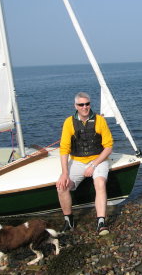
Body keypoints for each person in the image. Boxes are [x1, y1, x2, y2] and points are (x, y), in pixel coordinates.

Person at [56, 92, 113, 235]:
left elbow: (108, 147)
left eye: (87, 104)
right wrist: (64, 173)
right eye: (81, 104)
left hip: (98, 160)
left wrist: (94, 165)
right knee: (61, 187)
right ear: (75, 106)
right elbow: (64, 149)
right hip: (77, 161)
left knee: (99, 183)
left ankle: (101, 222)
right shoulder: (69, 122)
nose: (84, 107)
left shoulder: (100, 120)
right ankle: (69, 221)